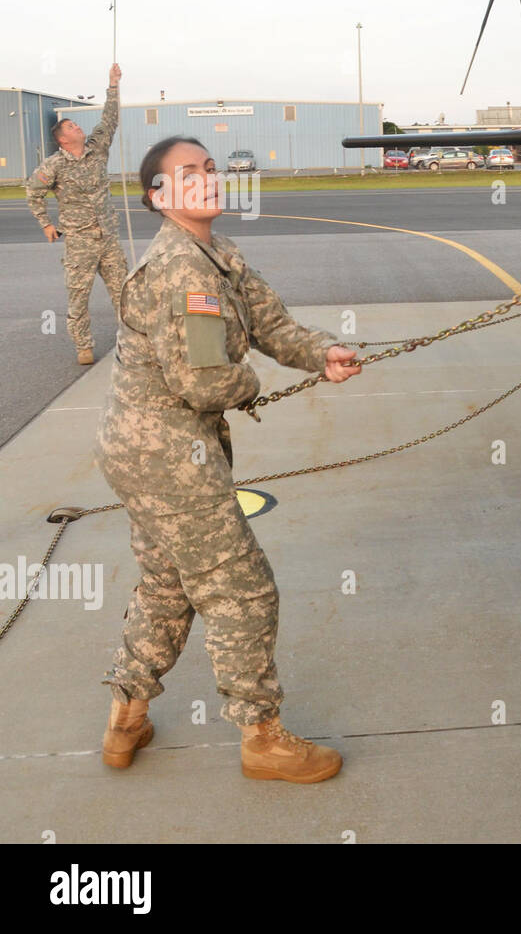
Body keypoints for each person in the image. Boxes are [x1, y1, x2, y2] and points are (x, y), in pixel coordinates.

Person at [95, 136, 363, 782]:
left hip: (140, 450)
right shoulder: (184, 271)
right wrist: (251, 387)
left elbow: (272, 324)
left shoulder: (215, 253)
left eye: (211, 169)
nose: (208, 180)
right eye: (188, 173)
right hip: (168, 457)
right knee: (242, 589)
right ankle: (261, 738)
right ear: (160, 198)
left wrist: (320, 352)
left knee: (166, 586)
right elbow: (207, 383)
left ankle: (126, 715)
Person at [26, 65, 130, 365]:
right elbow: (33, 191)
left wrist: (113, 85)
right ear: (62, 139)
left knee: (124, 294)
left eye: (76, 125)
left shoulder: (97, 149)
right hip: (80, 241)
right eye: (71, 127)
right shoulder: (54, 166)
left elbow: (110, 119)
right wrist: (45, 223)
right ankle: (83, 346)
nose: (77, 128)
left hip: (108, 237)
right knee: (78, 297)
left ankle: (133, 341)